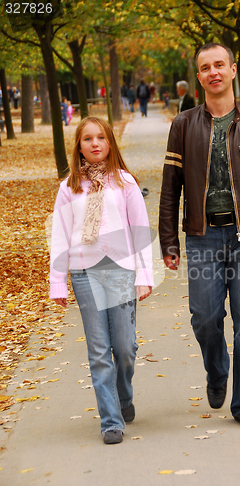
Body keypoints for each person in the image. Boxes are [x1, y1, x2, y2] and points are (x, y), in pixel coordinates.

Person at [159, 43, 240, 430]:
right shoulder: (183, 125)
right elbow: (170, 191)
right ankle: (217, 372)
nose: (213, 72)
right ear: (199, 77)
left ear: (233, 70)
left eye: (220, 64)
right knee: (204, 317)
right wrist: (169, 241)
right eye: (205, 67)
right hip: (202, 239)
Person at [50, 116, 154, 444]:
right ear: (78, 146)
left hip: (120, 271)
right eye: (87, 139)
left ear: (110, 143)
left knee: (124, 347)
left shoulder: (124, 182)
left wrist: (144, 275)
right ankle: (111, 421)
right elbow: (60, 237)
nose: (94, 143)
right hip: (84, 272)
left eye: (100, 138)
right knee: (98, 350)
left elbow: (140, 231)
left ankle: (123, 396)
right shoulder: (68, 189)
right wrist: (57, 281)